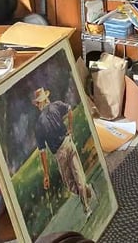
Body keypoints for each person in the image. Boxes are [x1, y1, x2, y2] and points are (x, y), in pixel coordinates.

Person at [33, 87, 94, 216]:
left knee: (70, 184)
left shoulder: (39, 125)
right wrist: (70, 129)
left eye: (37, 103)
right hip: (68, 143)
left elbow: (42, 151)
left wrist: (46, 175)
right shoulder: (56, 105)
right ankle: (86, 190)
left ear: (39, 103)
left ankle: (87, 207)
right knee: (78, 177)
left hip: (60, 153)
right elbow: (69, 109)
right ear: (46, 98)